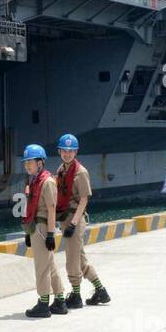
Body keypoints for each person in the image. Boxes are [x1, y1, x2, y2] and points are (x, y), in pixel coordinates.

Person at [53, 134, 109, 308]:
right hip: (65, 217)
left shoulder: (81, 172)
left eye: (71, 151)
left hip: (74, 218)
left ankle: (76, 295)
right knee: (80, 258)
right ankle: (100, 290)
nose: (67, 154)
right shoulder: (61, 169)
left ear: (76, 151)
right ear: (59, 151)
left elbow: (84, 200)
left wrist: (73, 223)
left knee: (72, 258)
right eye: (64, 150)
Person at [21, 144, 65, 318]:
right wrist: (27, 232)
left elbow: (51, 209)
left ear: (40, 163)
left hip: (42, 227)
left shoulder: (46, 182)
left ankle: (44, 303)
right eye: (25, 162)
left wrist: (50, 234)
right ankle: (60, 300)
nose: (27, 165)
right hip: (36, 227)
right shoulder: (34, 181)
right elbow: (30, 207)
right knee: (50, 265)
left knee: (41, 267)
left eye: (30, 162)